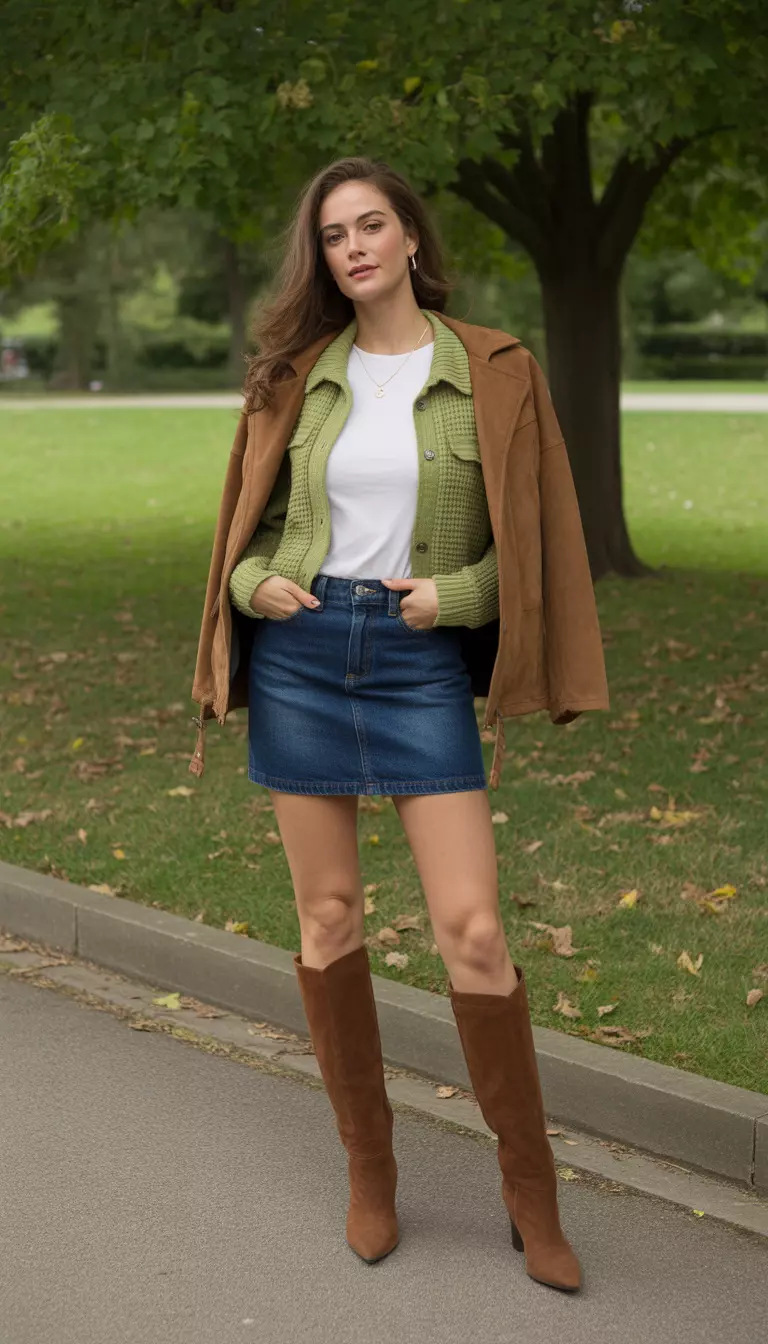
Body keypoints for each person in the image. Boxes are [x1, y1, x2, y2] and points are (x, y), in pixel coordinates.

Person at [189, 156, 609, 1292]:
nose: (356, 246)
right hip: (307, 655)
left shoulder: (494, 369)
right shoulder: (293, 373)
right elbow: (253, 523)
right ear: (321, 258)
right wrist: (254, 584)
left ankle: (531, 1196)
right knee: (328, 916)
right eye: (334, 234)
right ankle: (370, 1174)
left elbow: (524, 536)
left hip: (420, 662)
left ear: (413, 238)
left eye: (373, 224)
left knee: (473, 929)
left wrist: (461, 600)